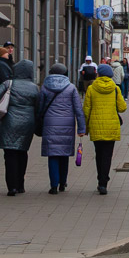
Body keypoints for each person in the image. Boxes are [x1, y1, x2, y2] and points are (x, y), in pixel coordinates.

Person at [38, 63, 86, 194]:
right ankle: (62, 183)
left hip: (50, 123)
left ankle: (53, 185)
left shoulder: (45, 87)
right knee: (64, 154)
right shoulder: (71, 88)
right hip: (67, 124)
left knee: (52, 154)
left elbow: (40, 108)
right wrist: (82, 128)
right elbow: (78, 109)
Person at [0, 60, 39, 196]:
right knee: (22, 152)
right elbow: (39, 105)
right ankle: (20, 185)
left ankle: (11, 187)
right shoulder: (34, 87)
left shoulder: (9, 84)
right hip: (28, 122)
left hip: (10, 122)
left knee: (10, 154)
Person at [83, 63, 127, 195]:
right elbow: (122, 108)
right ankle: (104, 183)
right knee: (107, 155)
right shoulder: (115, 89)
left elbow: (86, 109)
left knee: (99, 154)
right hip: (111, 126)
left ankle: (100, 180)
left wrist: (86, 127)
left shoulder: (91, 88)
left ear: (99, 74)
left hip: (96, 126)